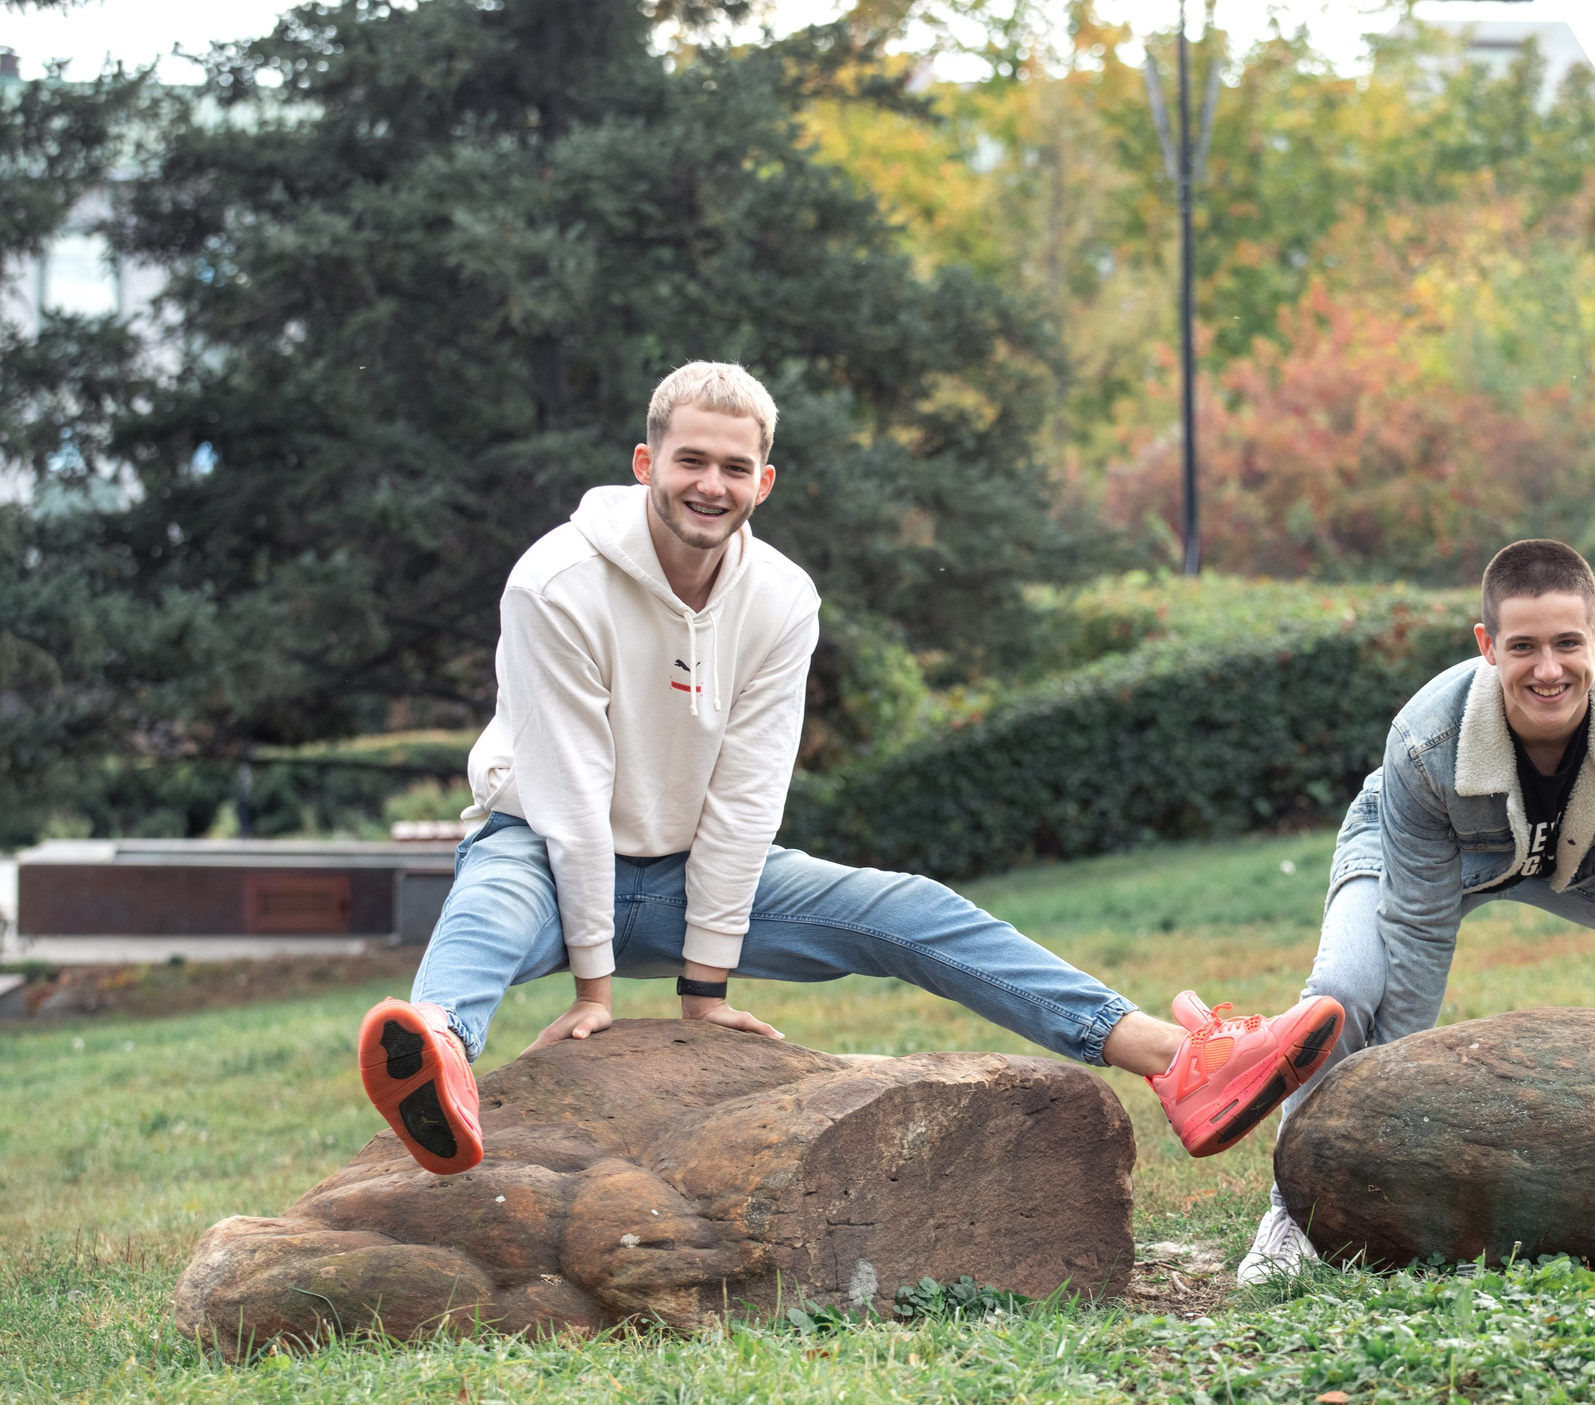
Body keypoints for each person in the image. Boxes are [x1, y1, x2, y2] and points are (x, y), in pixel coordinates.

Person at [357, 361, 1342, 1176]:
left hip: (689, 870)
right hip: (539, 849)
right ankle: (436, 1054)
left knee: (912, 911)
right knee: (482, 914)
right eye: (689, 460)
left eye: (734, 467)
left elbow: (748, 798)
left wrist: (704, 989)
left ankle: (1181, 1065)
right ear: (645, 462)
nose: (711, 484)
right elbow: (569, 795)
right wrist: (596, 997)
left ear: (765, 482)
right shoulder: (554, 582)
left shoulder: (782, 599)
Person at [1235, 537, 1595, 1285]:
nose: (1547, 668)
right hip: (1433, 846)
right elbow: (1417, 935)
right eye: (1523, 646)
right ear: (1487, 645)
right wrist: (1376, 1117)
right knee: (1343, 991)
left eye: (1566, 643)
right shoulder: (1424, 743)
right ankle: (1292, 1212)